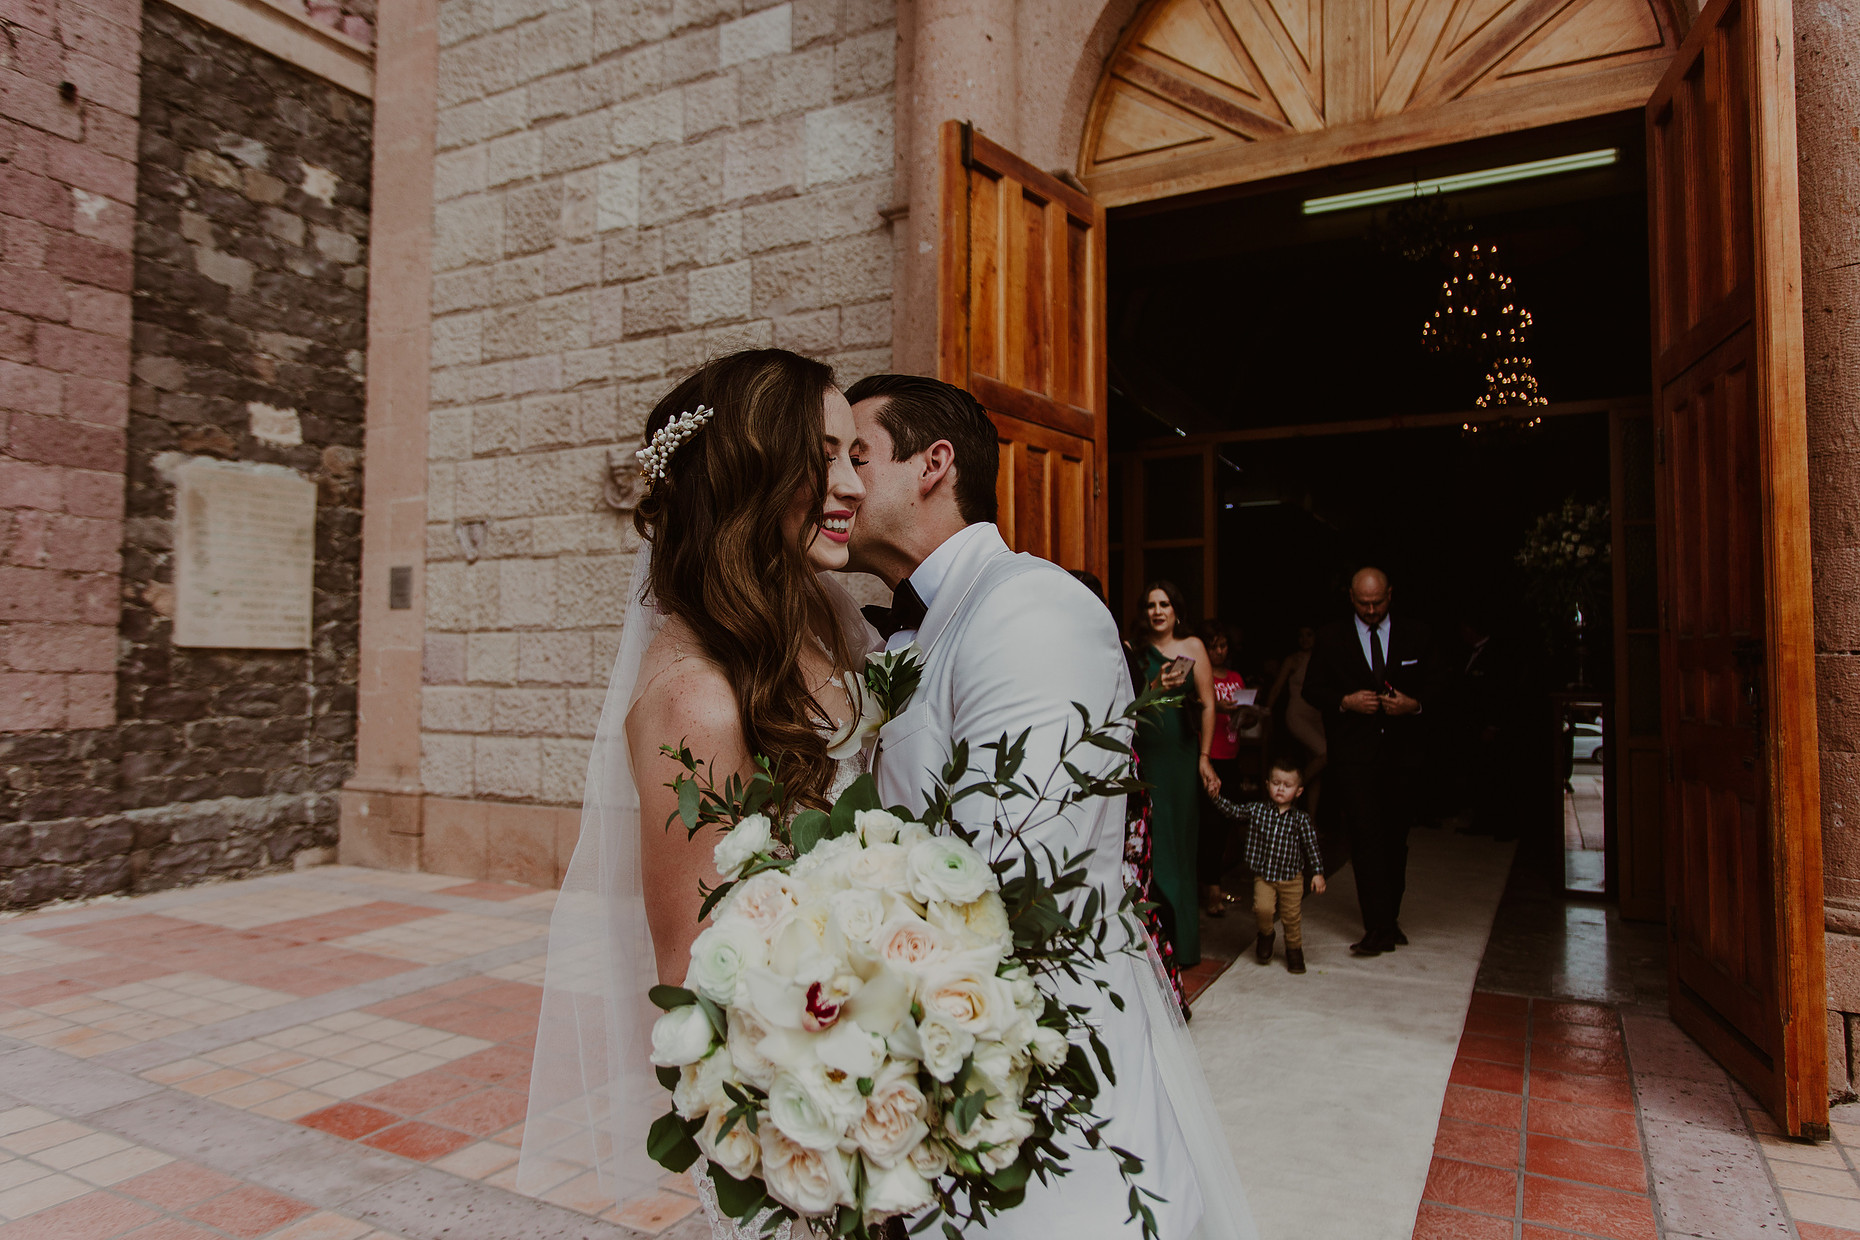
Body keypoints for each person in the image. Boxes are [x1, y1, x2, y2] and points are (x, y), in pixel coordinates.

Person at [843, 372, 1256, 1240]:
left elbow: (1024, 880)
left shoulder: (1029, 605)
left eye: (856, 455)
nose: (836, 484)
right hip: (944, 1053)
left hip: (1043, 1062)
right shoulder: (912, 625)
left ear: (933, 464)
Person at [519, 349, 881, 1237]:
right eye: (822, 457)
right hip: (801, 1097)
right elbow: (694, 971)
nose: (851, 488)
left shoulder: (826, 620)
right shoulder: (696, 694)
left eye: (854, 458)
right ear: (750, 475)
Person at [1300, 567, 1435, 958]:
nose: (1371, 609)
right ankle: (1377, 927)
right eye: (1363, 603)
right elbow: (1312, 689)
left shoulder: (1418, 634)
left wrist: (1414, 705)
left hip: (1403, 755)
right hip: (1354, 756)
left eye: (1377, 602)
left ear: (1390, 595)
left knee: (1396, 840)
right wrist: (1345, 701)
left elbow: (1439, 684)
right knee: (1365, 838)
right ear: (1351, 598)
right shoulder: (1330, 637)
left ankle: (1388, 919)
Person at [1129, 581, 1220, 966]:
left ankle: (1183, 948)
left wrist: (1204, 756)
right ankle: (1154, 948)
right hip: (1148, 757)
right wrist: (1154, 684)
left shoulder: (1194, 647)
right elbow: (1129, 707)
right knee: (1154, 845)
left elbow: (1209, 706)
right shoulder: (1133, 651)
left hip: (1181, 759)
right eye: (1151, 604)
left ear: (1175, 609)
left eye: (1164, 603)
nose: (1157, 611)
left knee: (1180, 847)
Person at [1216, 758, 1326, 973]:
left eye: (1287, 785)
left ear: (1299, 791)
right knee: (1263, 909)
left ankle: (1294, 950)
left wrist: (1318, 873)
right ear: (1267, 784)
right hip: (1264, 876)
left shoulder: (1301, 820)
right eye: (1276, 783)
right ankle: (1265, 935)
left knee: (1291, 917)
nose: (1280, 789)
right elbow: (1234, 811)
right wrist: (1215, 797)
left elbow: (1311, 846)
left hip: (1292, 879)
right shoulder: (1258, 810)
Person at [1198, 619, 1251, 917]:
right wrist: (1216, 707)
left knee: (1229, 821)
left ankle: (1212, 883)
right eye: (1213, 646)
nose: (1219, 651)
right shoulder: (1202, 677)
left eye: (1223, 645)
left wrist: (1248, 715)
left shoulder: (1235, 677)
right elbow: (1197, 706)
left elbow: (1244, 718)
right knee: (1210, 824)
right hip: (1211, 756)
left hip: (1232, 755)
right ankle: (1211, 888)